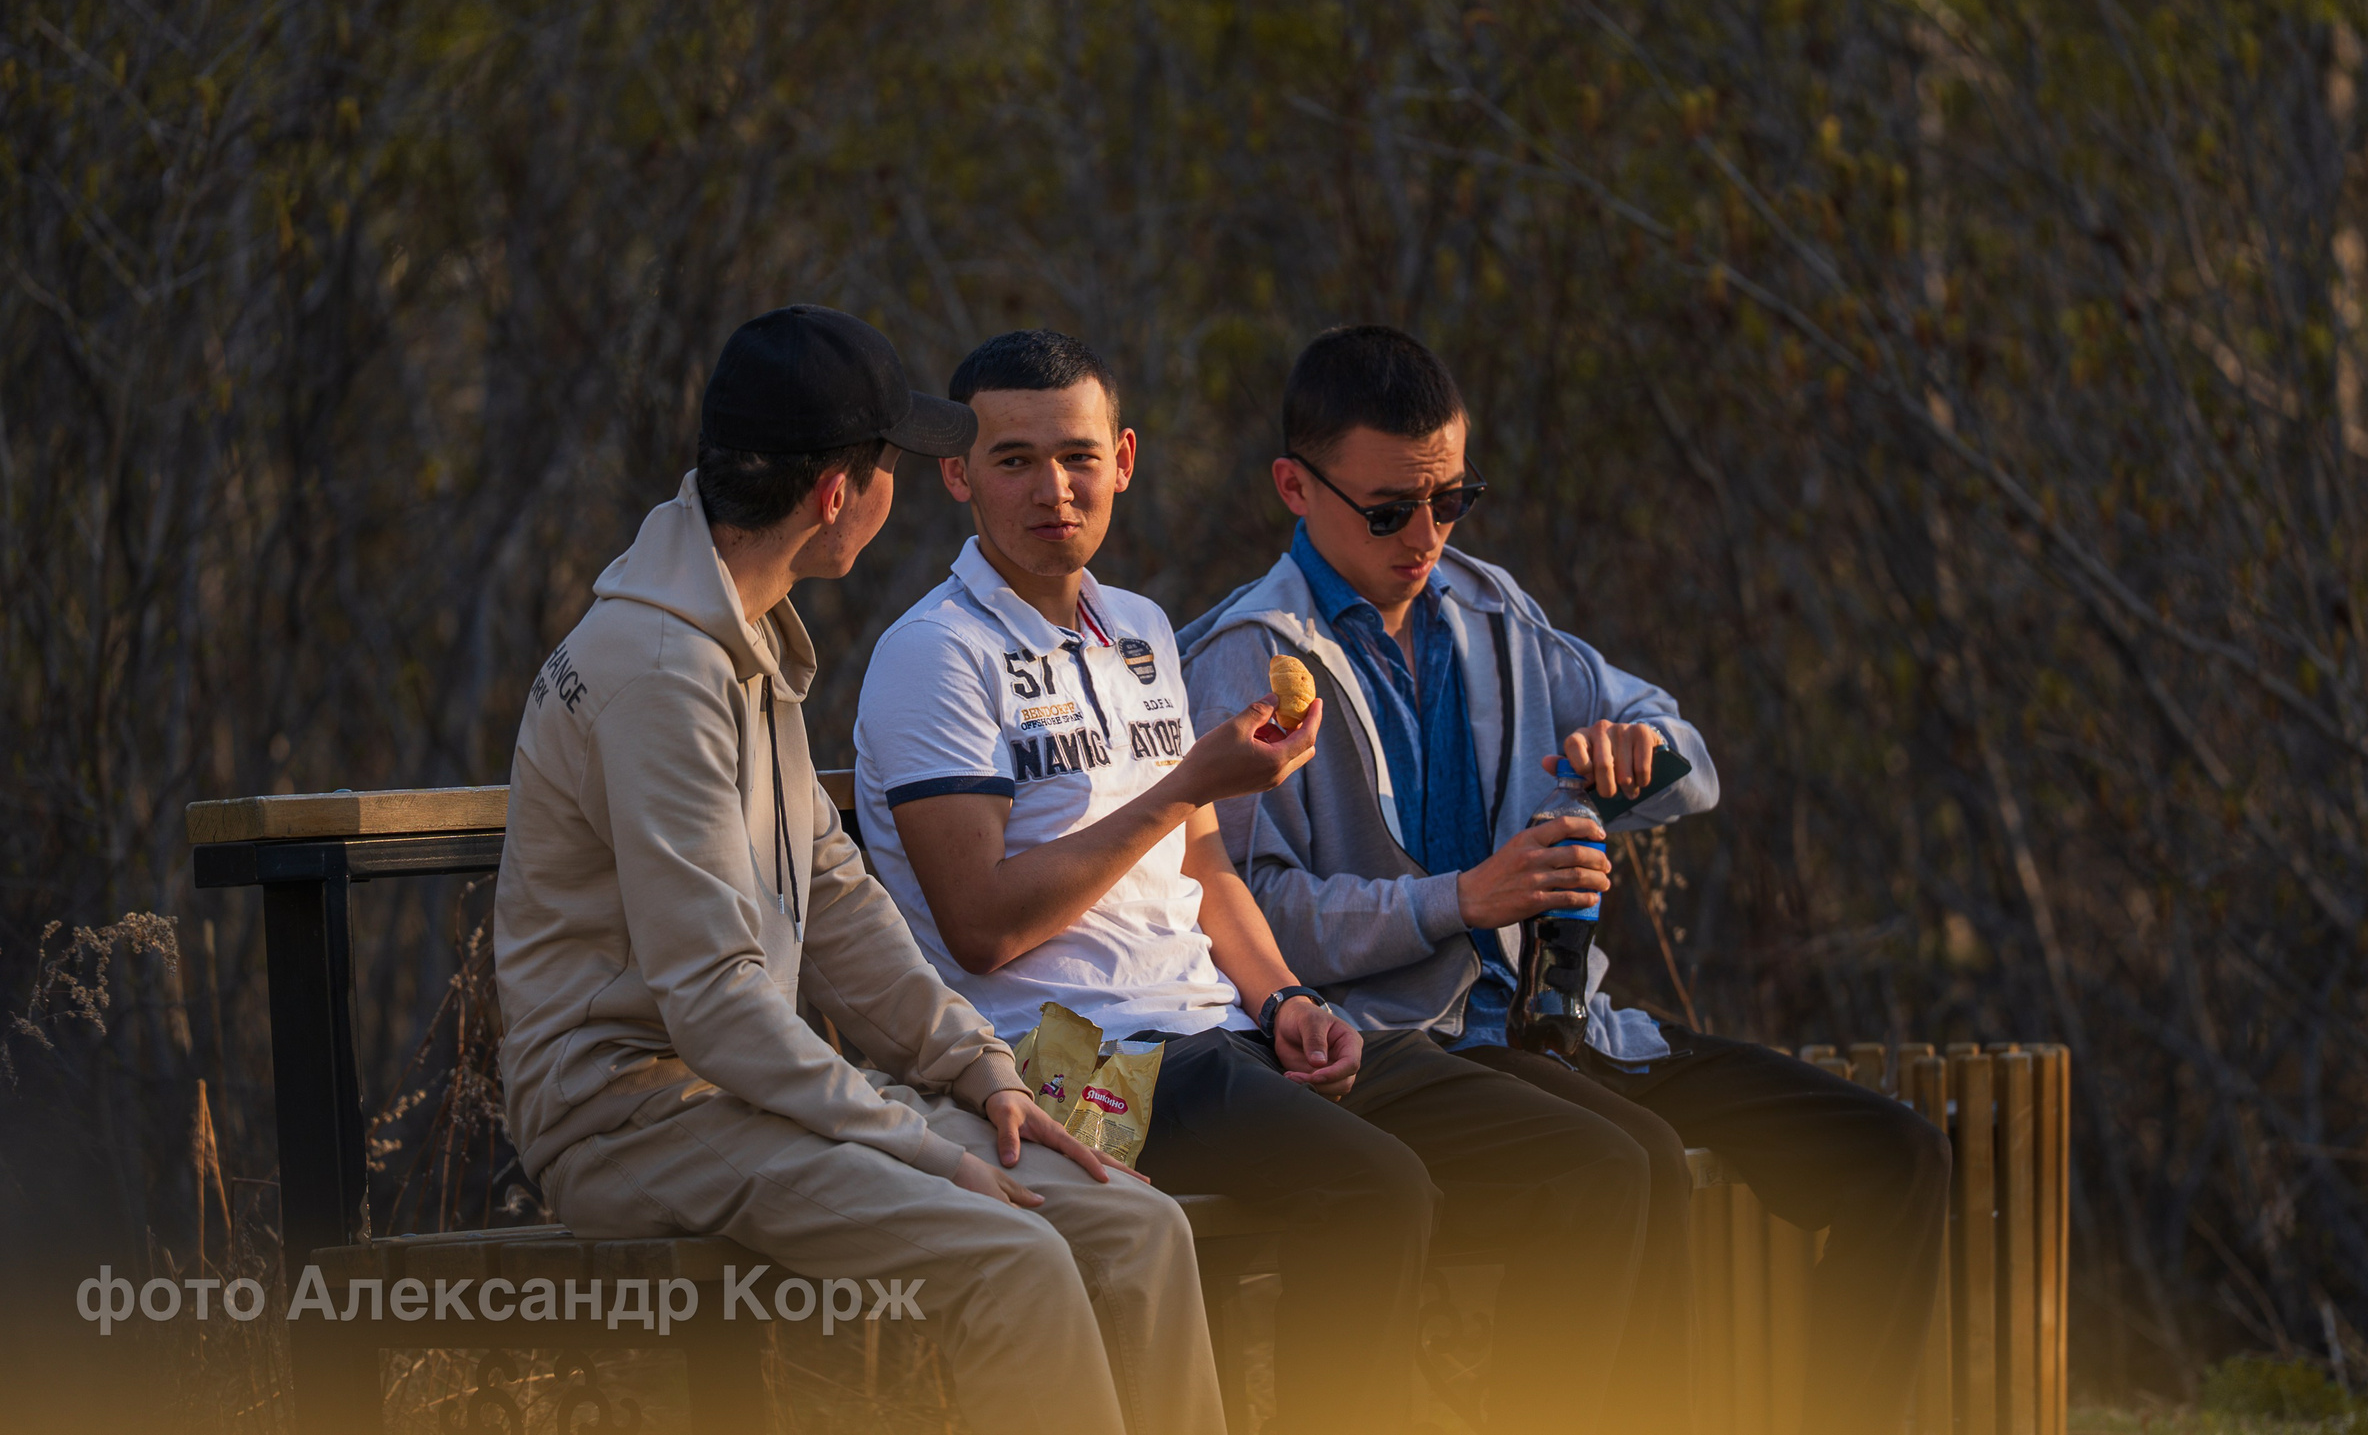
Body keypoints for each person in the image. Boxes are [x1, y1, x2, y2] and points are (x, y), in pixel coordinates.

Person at [851, 328, 1651, 1435]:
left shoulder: (1133, 630)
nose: (1053, 488)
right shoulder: (934, 653)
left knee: (1592, 1168)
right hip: (1073, 1056)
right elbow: (982, 929)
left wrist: (1287, 999)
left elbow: (1203, 862)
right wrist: (1186, 784)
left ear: (1124, 460)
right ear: (957, 474)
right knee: (1374, 1197)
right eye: (1014, 459)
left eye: (1078, 457)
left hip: (1222, 1025)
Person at [1176, 325, 1954, 1435]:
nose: (1427, 534)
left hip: (1568, 1025)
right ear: (1294, 487)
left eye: (1454, 497)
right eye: (1391, 508)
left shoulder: (1492, 612)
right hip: (1401, 1045)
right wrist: (1461, 898)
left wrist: (1639, 756)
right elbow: (1250, 914)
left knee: (1897, 1159)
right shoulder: (1245, 657)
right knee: (1623, 1169)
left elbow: (1685, 754)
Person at [493, 306, 1222, 1435]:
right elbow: (713, 1002)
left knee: (1136, 1225)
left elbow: (833, 897)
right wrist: (920, 1144)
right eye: (890, 463)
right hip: (630, 1116)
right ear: (841, 494)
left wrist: (981, 1074)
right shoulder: (660, 670)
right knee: (1011, 1258)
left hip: (736, 1088)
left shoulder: (745, 632)